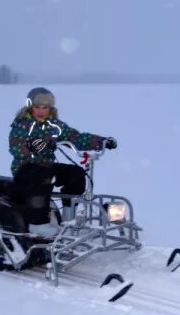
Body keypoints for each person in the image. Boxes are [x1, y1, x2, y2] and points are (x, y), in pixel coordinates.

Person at [8, 87, 117, 237]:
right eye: (37, 107)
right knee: (43, 177)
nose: (41, 111)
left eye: (45, 108)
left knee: (76, 174)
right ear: (30, 107)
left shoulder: (54, 126)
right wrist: (37, 144)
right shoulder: (22, 125)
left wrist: (101, 141)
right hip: (25, 168)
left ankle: (68, 217)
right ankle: (38, 224)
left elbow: (75, 138)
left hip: (47, 166)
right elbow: (18, 146)